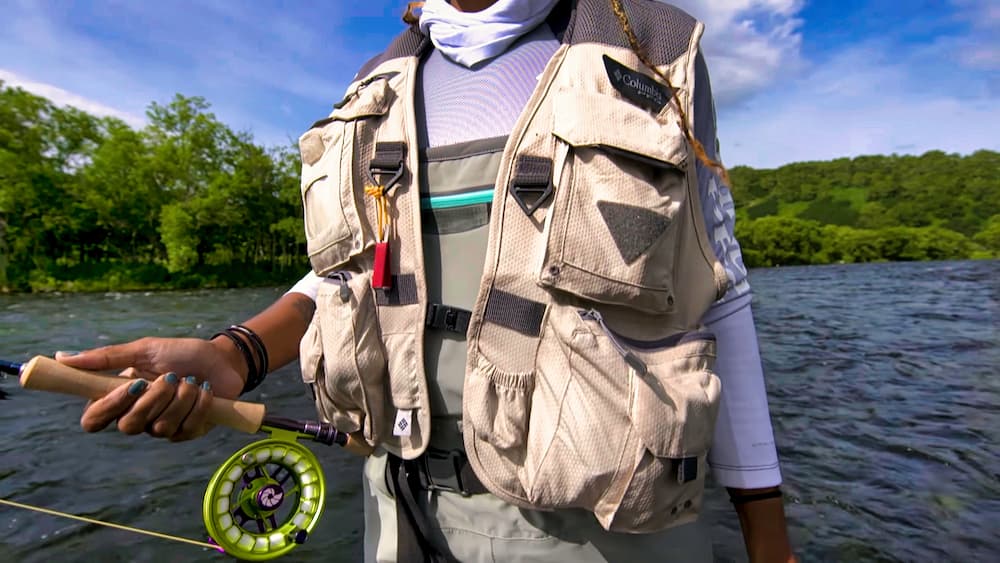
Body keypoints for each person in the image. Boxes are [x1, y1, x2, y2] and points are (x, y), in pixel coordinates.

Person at [58, 0, 796, 561]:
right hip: (395, 506)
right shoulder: (372, 84)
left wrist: (769, 537)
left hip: (595, 530)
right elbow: (352, 272)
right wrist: (234, 354)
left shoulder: (658, 49)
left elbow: (718, 294)